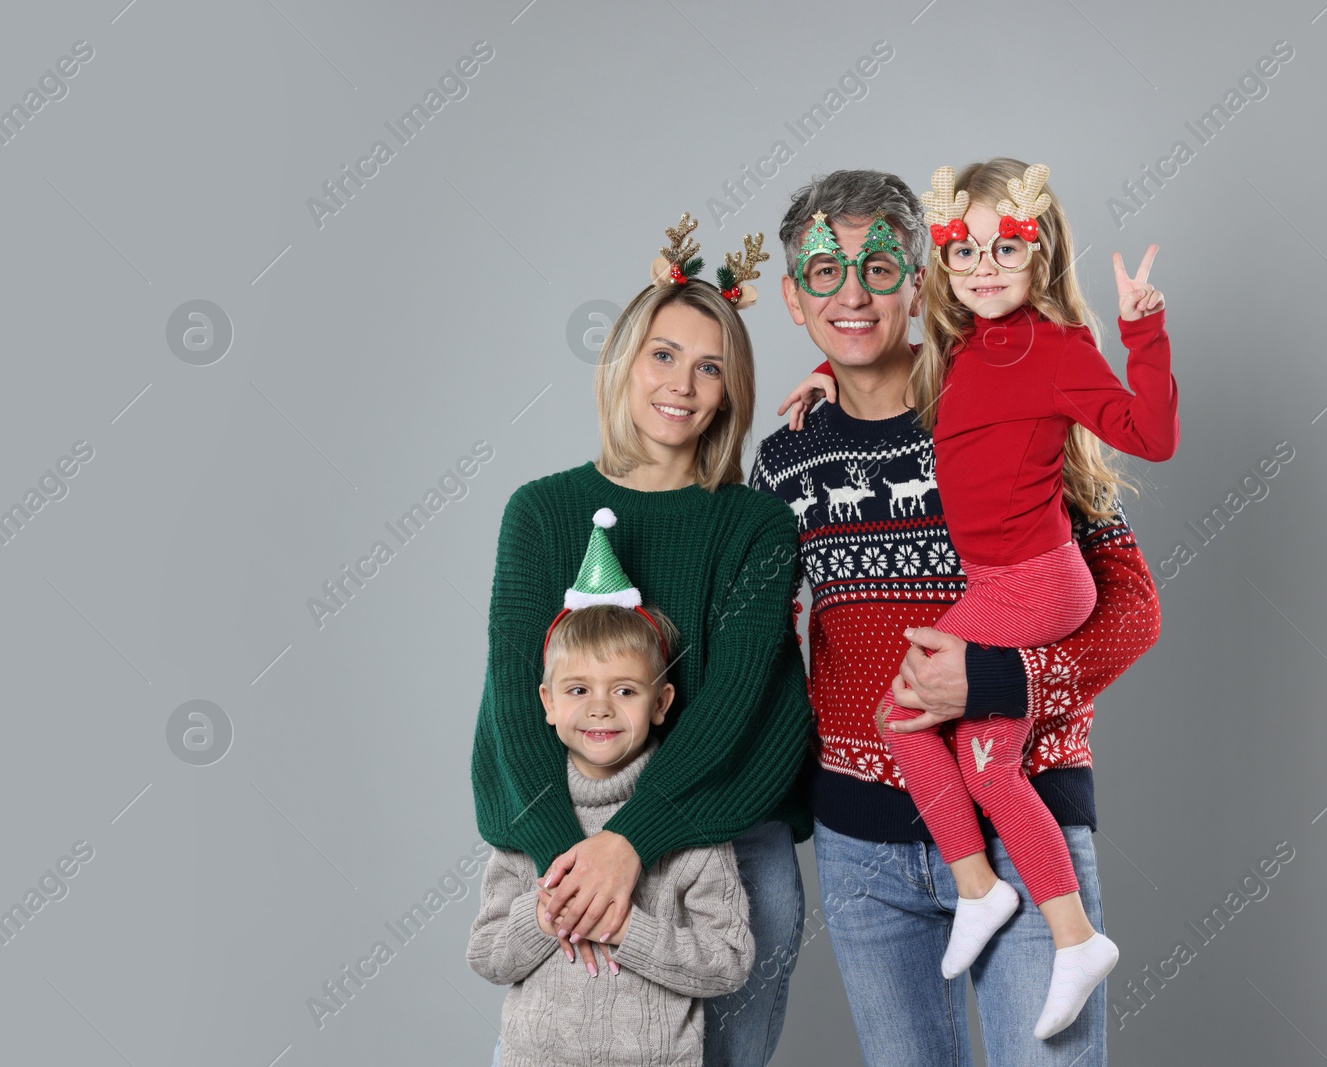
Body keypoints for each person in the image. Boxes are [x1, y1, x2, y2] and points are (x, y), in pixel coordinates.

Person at [749, 169, 1162, 1065]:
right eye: (825, 275)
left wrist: (1001, 679)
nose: (853, 295)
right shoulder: (785, 462)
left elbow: (1132, 608)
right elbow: (770, 657)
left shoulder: (1002, 398)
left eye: (881, 269)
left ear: (922, 279)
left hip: (1026, 822)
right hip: (864, 851)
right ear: (793, 296)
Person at [471, 215, 812, 1067]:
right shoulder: (541, 512)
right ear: (624, 360)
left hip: (725, 847)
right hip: (565, 843)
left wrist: (633, 841)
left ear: (731, 390)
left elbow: (735, 704)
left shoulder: (757, 526)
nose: (684, 385)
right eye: (664, 355)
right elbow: (516, 699)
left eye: (710, 367)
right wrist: (570, 863)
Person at [467, 525, 754, 1066]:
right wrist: (545, 916)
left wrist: (628, 929)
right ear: (547, 703)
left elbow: (728, 961)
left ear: (662, 702)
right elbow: (487, 954)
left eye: (624, 690)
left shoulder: (686, 825)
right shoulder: (528, 818)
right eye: (578, 691)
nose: (600, 708)